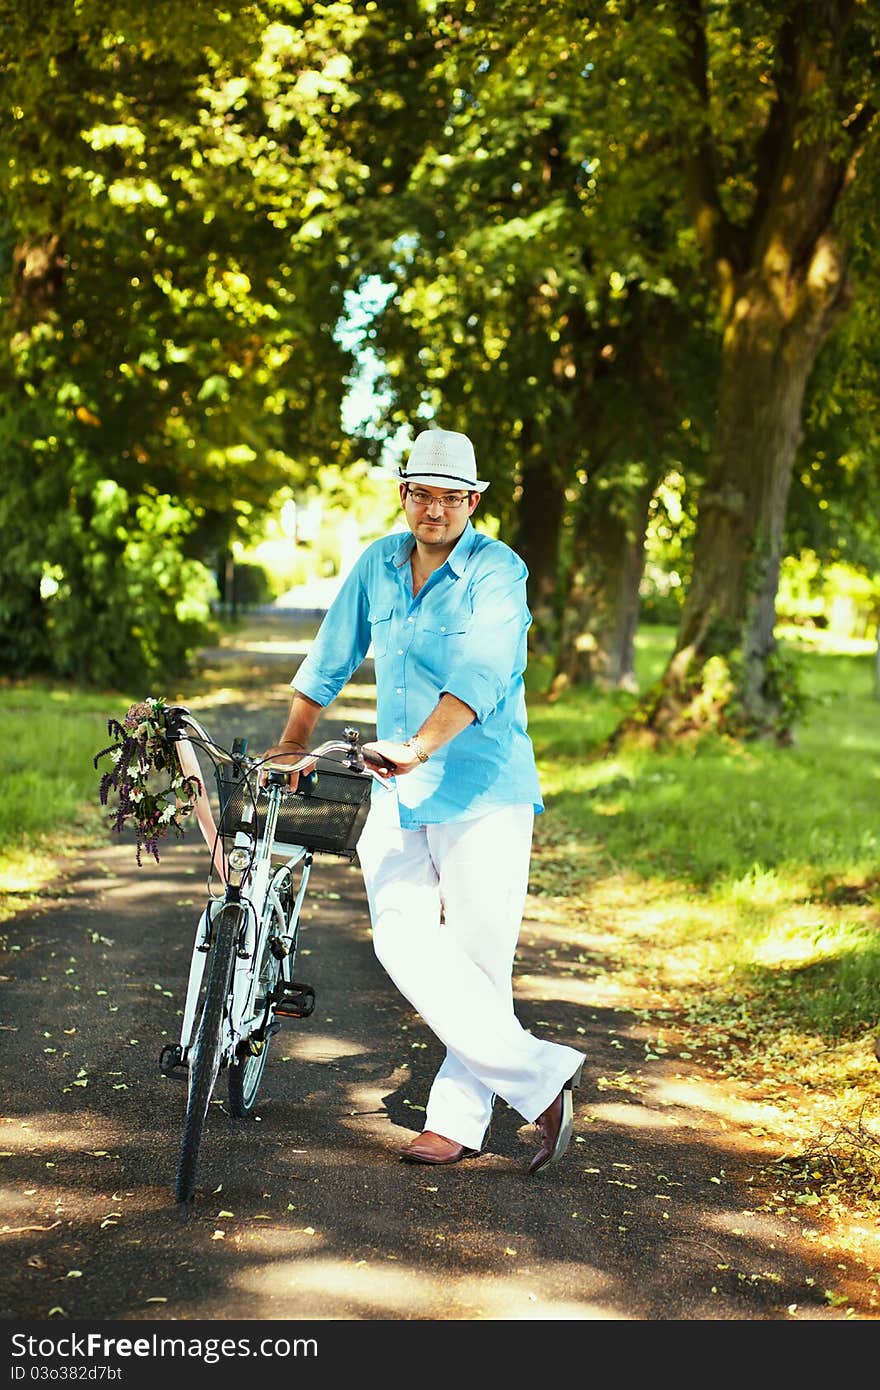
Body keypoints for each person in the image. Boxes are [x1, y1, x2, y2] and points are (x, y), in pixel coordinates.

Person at [263, 427, 585, 1174]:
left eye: (449, 495)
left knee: (478, 960)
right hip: (396, 788)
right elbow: (330, 654)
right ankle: (542, 1080)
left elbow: (483, 670)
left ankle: (456, 1122)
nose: (433, 507)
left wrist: (419, 745)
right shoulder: (378, 563)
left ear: (472, 500)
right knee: (399, 936)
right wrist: (291, 740)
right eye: (420, 492)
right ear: (404, 494)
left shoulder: (497, 570)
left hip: (482, 787)